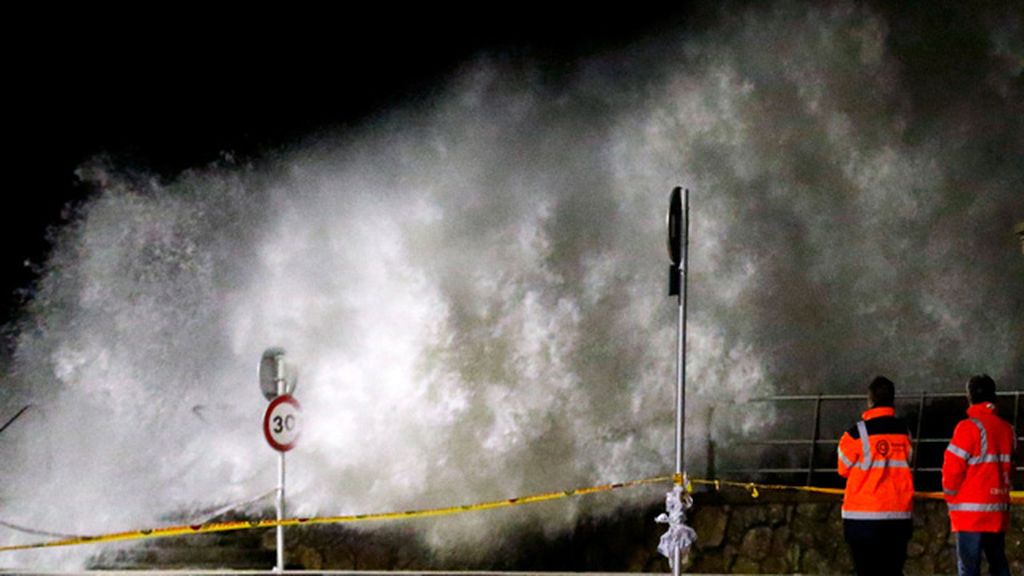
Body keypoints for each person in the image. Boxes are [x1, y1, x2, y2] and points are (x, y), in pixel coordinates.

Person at [837, 376, 914, 576]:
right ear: (892, 400)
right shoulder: (904, 432)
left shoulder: (855, 434)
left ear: (870, 400)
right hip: (898, 517)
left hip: (861, 520)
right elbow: (909, 459)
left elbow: (842, 469)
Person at [942, 374, 1016, 576]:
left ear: (970, 397)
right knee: (999, 566)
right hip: (997, 512)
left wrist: (951, 497)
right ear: (994, 397)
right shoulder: (1008, 430)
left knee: (969, 569)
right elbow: (1011, 470)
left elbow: (951, 470)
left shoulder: (967, 428)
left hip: (969, 516)